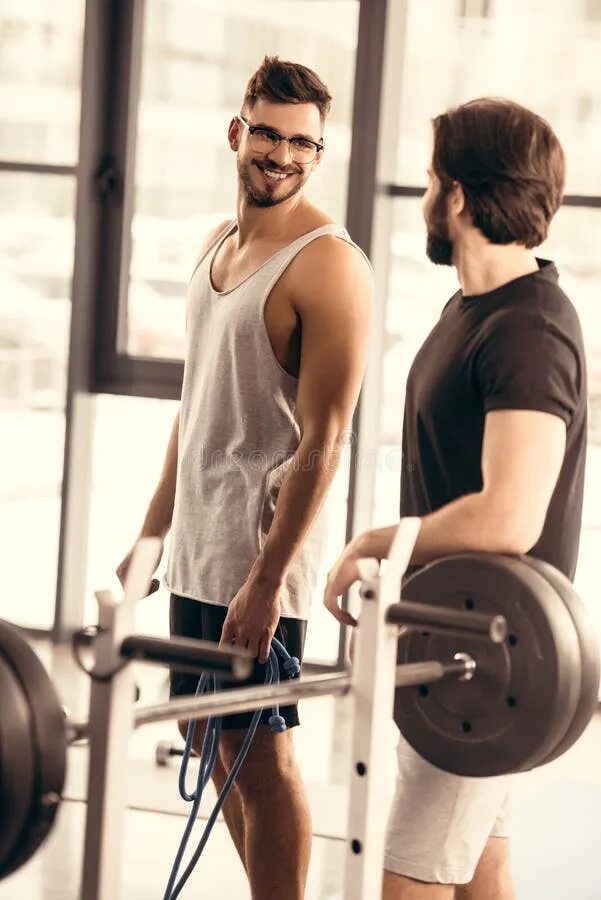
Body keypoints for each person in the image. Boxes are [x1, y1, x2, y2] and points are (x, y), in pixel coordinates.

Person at [117, 56, 373, 899]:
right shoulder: (216, 246)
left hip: (259, 566)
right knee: (211, 743)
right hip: (199, 548)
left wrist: (266, 582)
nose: (282, 154)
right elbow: (196, 411)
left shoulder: (329, 265)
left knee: (261, 756)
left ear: (318, 152)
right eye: (268, 132)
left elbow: (325, 440)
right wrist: (152, 538)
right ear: (238, 132)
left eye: (302, 142)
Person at [324, 98, 587, 900]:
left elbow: (509, 516)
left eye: (434, 179)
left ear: (462, 197)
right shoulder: (476, 312)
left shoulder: (528, 331)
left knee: (409, 879)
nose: (425, 196)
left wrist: (373, 544)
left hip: (488, 655)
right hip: (458, 643)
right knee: (480, 868)